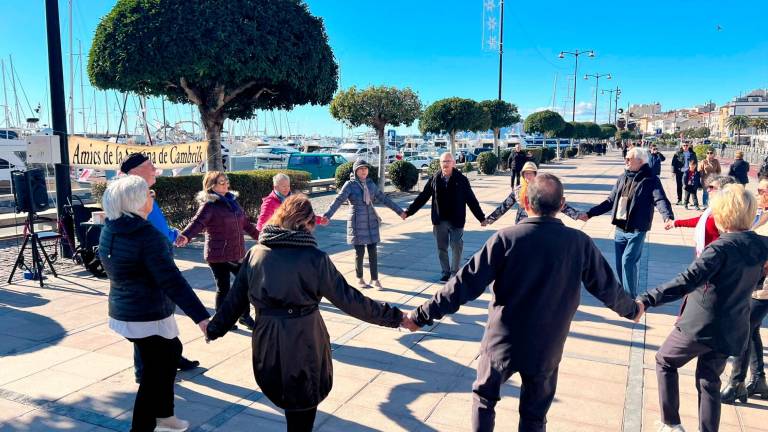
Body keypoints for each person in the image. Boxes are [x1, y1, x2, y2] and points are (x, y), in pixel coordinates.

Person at [404, 174, 642, 432]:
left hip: (501, 342)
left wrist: (420, 316)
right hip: (547, 345)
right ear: (562, 204)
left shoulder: (506, 238)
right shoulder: (579, 242)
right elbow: (606, 287)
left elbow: (463, 285)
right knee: (534, 416)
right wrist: (632, 309)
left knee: (484, 399)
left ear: (525, 203)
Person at [205, 194, 410, 432]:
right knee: (302, 408)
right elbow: (351, 300)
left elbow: (234, 301)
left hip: (267, 338)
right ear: (307, 223)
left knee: (285, 397)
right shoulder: (314, 258)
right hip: (304, 339)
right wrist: (395, 317)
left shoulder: (256, 253)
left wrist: (214, 328)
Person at [637, 184, 768, 432]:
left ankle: (671, 423)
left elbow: (685, 281)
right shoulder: (761, 244)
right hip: (733, 326)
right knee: (709, 381)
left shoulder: (720, 248)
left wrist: (647, 299)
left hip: (701, 324)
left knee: (665, 361)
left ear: (723, 214)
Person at [99, 175, 210, 432]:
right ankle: (145, 426)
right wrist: (201, 317)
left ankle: (166, 416)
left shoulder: (111, 227)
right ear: (137, 202)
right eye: (150, 193)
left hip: (124, 310)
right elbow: (172, 281)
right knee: (154, 374)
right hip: (145, 314)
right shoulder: (147, 235)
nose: (152, 197)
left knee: (170, 353)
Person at [119, 153, 199, 380]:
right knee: (148, 320)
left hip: (156, 259)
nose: (155, 169)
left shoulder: (142, 193)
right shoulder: (131, 196)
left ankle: (172, 357)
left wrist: (173, 234)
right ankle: (145, 373)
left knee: (162, 316)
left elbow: (156, 225)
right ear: (134, 171)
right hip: (147, 268)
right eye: (149, 165)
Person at [584, 147, 674, 297]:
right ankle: (625, 292)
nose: (625, 160)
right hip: (620, 229)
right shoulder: (622, 177)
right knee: (620, 265)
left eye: (629, 158)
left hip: (637, 230)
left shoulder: (651, 179)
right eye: (626, 158)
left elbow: (660, 199)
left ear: (640, 161)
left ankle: (630, 297)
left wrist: (667, 216)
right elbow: (610, 201)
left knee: (628, 261)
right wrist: (590, 213)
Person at [175, 171, 258, 330]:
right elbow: (197, 222)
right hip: (218, 254)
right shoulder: (209, 204)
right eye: (221, 182)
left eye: (226, 181)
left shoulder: (232, 201)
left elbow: (245, 223)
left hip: (236, 252)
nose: (226, 184)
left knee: (245, 285)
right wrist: (186, 236)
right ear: (211, 186)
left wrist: (259, 237)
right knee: (224, 287)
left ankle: (244, 316)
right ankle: (224, 320)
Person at [322, 160, 406, 289]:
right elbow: (338, 200)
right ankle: (360, 278)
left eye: (365, 169)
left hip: (371, 220)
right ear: (355, 171)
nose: (364, 171)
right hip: (356, 221)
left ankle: (375, 279)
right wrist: (327, 215)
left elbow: (384, 199)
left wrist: (399, 211)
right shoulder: (349, 185)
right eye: (361, 169)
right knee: (359, 252)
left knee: (373, 251)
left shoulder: (371, 184)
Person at [720, 178, 768, 404]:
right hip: (754, 286)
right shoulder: (762, 214)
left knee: (743, 328)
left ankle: (736, 382)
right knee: (752, 329)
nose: (757, 194)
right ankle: (758, 379)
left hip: (763, 288)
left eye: (762, 191)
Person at [405, 152, 485, 282]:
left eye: (448, 161)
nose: (445, 164)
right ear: (440, 164)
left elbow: (471, 200)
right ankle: (445, 272)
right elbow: (423, 197)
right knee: (441, 248)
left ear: (453, 163)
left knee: (456, 245)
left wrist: (481, 217)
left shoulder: (461, 180)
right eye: (443, 161)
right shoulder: (435, 179)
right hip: (440, 220)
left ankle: (454, 273)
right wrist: (409, 211)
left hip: (456, 219)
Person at [482, 161, 584, 226]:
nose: (528, 176)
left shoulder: (542, 188)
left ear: (535, 174)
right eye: (525, 174)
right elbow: (504, 206)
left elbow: (559, 204)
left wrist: (577, 215)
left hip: (540, 223)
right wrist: (489, 220)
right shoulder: (518, 190)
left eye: (530, 173)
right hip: (521, 224)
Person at [664, 176, 737, 256]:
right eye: (708, 187)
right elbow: (700, 220)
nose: (708, 190)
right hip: (706, 255)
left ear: (723, 191)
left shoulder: (728, 213)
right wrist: (675, 223)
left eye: (712, 187)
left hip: (716, 257)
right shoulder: (712, 210)